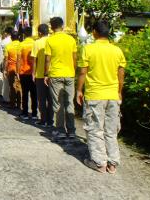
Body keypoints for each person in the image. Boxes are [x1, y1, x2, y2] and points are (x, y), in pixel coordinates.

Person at [76, 21, 126, 174]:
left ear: (95, 33)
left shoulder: (88, 49)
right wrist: (119, 92)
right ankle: (112, 163)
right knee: (111, 130)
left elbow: (83, 72)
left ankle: (99, 163)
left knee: (95, 129)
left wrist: (78, 90)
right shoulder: (117, 51)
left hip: (95, 96)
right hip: (112, 96)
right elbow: (121, 75)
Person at [44, 17, 77, 141]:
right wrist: (72, 71)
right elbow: (74, 58)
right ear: (62, 26)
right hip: (69, 74)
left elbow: (48, 59)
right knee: (69, 102)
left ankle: (60, 130)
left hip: (56, 74)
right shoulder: (71, 40)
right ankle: (72, 131)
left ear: (51, 28)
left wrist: (46, 74)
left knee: (58, 103)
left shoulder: (50, 40)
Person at [31, 24, 53, 127]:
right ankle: (50, 121)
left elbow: (34, 60)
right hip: (51, 74)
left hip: (40, 74)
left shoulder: (37, 43)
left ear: (39, 32)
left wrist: (33, 73)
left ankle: (43, 120)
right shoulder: (52, 41)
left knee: (42, 99)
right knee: (51, 99)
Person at [17, 27, 36, 120]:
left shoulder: (21, 44)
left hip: (23, 72)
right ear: (32, 34)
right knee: (34, 93)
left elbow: (19, 60)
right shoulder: (35, 43)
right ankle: (34, 113)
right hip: (34, 72)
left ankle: (25, 113)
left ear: (24, 34)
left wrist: (17, 71)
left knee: (24, 93)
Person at [4, 31, 21, 109]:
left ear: (11, 38)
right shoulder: (21, 45)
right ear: (19, 37)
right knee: (19, 87)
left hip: (11, 69)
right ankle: (19, 104)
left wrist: (4, 70)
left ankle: (12, 104)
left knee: (12, 87)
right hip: (21, 69)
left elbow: (6, 60)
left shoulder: (8, 46)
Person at [0, 27, 13, 102]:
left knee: (6, 82)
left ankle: (6, 98)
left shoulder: (4, 42)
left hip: (6, 63)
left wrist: (1, 65)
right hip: (15, 64)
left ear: (6, 33)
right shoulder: (15, 42)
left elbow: (1, 55)